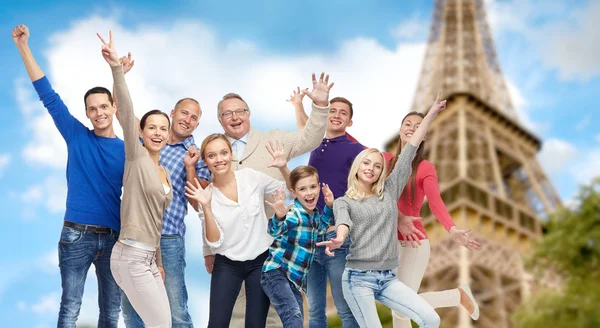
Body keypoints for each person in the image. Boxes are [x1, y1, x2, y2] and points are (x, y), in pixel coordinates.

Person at [12, 24, 124, 328]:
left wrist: (118, 74)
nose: (99, 113)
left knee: (111, 314)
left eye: (104, 106)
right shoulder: (77, 136)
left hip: (114, 239)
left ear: (114, 107)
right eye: (92, 109)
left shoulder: (129, 151)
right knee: (70, 309)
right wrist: (23, 47)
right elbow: (47, 94)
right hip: (76, 235)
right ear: (86, 113)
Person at [202, 73, 334, 327]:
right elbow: (207, 204)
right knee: (228, 318)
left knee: (267, 318)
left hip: (270, 249)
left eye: (240, 111)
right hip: (229, 253)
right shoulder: (214, 154)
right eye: (227, 114)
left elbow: (310, 138)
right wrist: (209, 250)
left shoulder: (274, 140)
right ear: (220, 120)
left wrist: (319, 106)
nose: (235, 117)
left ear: (249, 113)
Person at [317, 96, 447, 328]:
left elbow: (411, 149)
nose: (371, 168)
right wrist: (340, 237)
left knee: (431, 319)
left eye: (378, 166)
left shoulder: (390, 190)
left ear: (382, 172)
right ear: (357, 167)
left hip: (387, 278)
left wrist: (432, 113)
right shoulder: (343, 202)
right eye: (366, 164)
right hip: (358, 279)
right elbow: (344, 223)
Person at [115, 53, 211, 328]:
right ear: (172, 113)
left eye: (194, 118)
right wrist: (120, 74)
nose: (188, 120)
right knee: (132, 311)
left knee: (175, 309)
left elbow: (197, 202)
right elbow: (120, 110)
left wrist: (190, 167)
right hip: (135, 238)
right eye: (184, 113)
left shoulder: (197, 154)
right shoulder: (146, 139)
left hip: (168, 237)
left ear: (196, 124)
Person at [98, 31, 173, 327]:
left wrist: (159, 261)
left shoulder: (163, 172)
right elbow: (126, 111)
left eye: (162, 129)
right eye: (151, 127)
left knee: (163, 323)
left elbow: (156, 220)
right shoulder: (136, 156)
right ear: (141, 133)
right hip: (129, 256)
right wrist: (117, 70)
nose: (157, 132)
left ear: (168, 135)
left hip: (149, 259)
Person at [186, 134, 293, 327]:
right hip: (227, 264)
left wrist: (283, 168)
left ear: (231, 153)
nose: (219, 159)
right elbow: (215, 242)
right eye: (212, 156)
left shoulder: (251, 177)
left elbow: (290, 192)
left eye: (223, 153)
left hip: (261, 261)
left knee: (255, 324)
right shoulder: (206, 195)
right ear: (205, 161)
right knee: (217, 324)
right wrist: (207, 207)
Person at [386, 111, 481, 327]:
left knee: (401, 306)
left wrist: (452, 228)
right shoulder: (384, 161)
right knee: (397, 308)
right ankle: (457, 296)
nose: (411, 128)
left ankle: (457, 296)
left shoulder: (424, 167)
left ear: (424, 134)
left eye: (418, 125)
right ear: (400, 130)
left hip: (414, 243)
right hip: (388, 244)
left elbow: (436, 201)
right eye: (407, 124)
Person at [288, 92, 360, 327]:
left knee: (345, 309)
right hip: (309, 238)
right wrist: (298, 105)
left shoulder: (355, 150)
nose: (336, 115)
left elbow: (376, 174)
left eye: (343, 113)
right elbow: (306, 127)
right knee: (316, 312)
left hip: (335, 238)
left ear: (350, 122)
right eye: (332, 110)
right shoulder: (316, 141)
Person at [261, 166, 334, 328]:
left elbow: (321, 229)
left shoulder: (314, 214)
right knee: (293, 315)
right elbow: (274, 230)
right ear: (294, 192)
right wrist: (279, 216)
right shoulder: (293, 213)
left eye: (313, 187)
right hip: (276, 273)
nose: (309, 193)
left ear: (319, 187)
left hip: (294, 281)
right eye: (302, 189)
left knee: (297, 320)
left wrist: (329, 206)